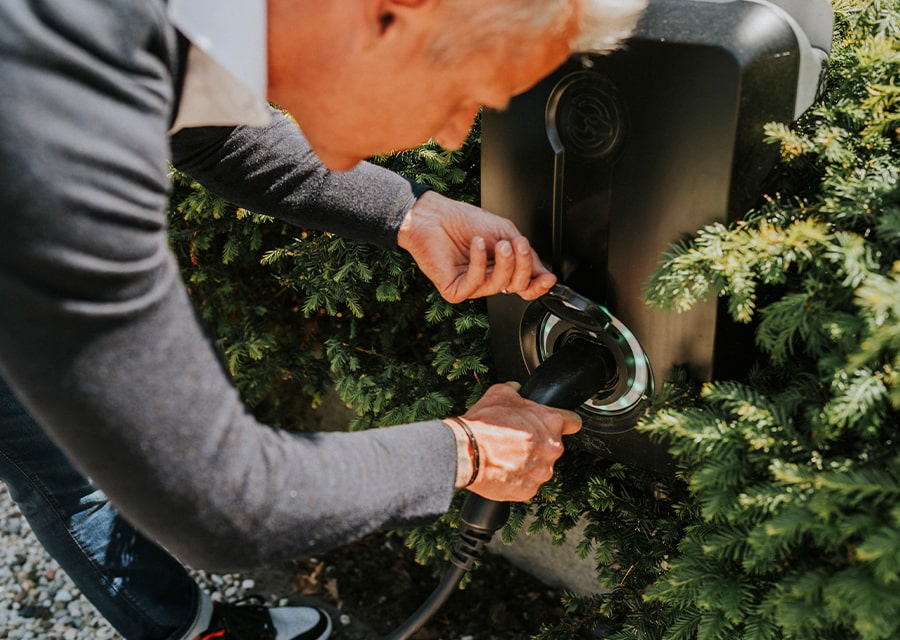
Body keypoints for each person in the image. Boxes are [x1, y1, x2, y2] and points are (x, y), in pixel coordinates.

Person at [0, 1, 647, 639]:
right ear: (392, 15)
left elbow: (211, 131)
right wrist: (469, 450)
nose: (456, 134)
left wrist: (408, 212)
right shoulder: (58, 108)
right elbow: (223, 504)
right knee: (60, 460)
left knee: (57, 450)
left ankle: (192, 629)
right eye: (466, 95)